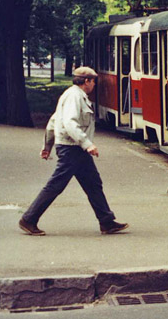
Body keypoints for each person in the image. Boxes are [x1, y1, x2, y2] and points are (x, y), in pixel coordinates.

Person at [18, 67, 128, 236]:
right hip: (71, 148)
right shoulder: (74, 97)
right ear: (87, 81)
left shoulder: (73, 95)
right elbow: (69, 123)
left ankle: (106, 221)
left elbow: (53, 121)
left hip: (75, 149)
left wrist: (47, 146)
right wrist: (87, 144)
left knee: (93, 183)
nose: (94, 85)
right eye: (93, 81)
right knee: (56, 185)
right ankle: (29, 219)